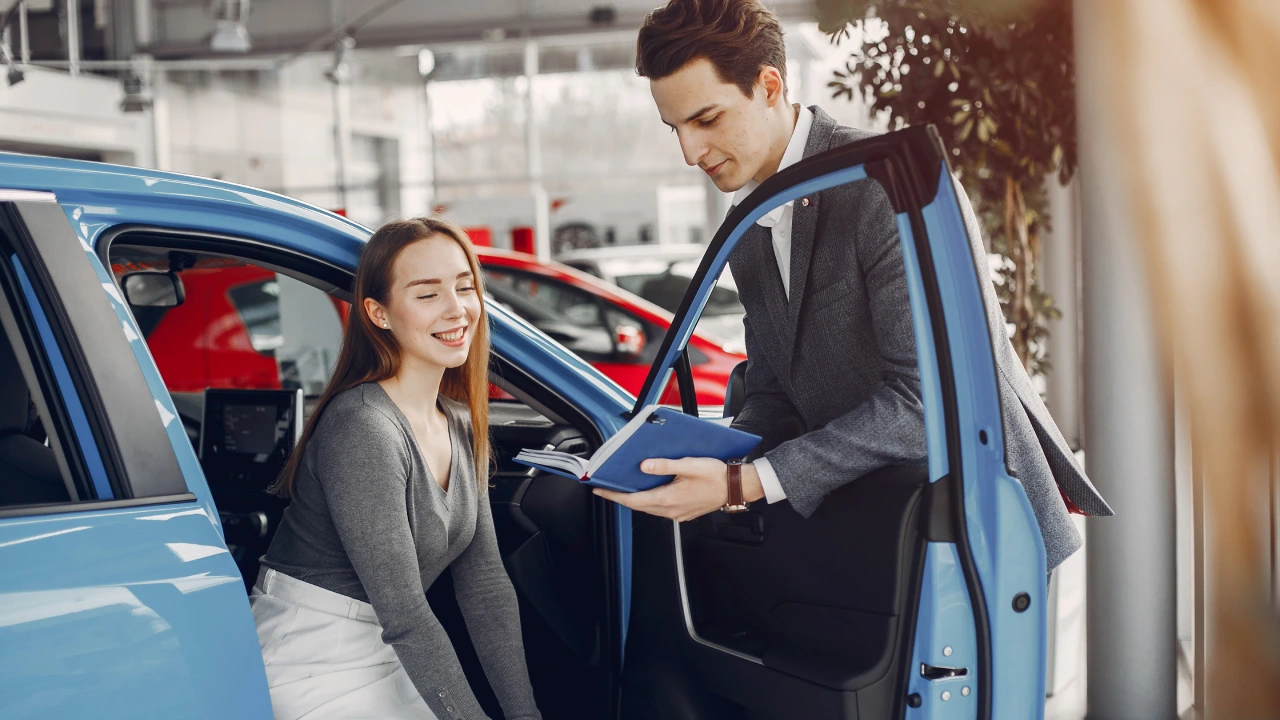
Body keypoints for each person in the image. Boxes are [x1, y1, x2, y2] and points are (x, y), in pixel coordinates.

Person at [593, 0, 1112, 574]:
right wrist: (707, 460)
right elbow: (775, 390)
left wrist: (741, 483)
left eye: (706, 120)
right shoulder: (748, 226)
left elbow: (929, 401)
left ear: (769, 86)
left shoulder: (883, 184)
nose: (690, 153)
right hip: (881, 524)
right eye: (676, 129)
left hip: (977, 532)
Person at [252, 217, 541, 720]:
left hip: (387, 647)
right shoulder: (364, 425)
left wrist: (525, 715)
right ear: (378, 313)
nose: (457, 310)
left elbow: (485, 584)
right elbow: (406, 614)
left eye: (465, 287)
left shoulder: (457, 422)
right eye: (427, 295)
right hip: (314, 654)